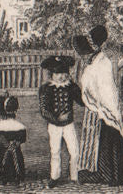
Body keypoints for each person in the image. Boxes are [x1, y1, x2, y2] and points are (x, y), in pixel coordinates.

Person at [76, 25, 123, 185]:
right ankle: (113, 175)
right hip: (104, 109)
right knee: (106, 144)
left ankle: (114, 176)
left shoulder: (102, 62)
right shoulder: (97, 61)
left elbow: (106, 89)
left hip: (106, 108)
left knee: (109, 144)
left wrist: (103, 108)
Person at [39, 55, 82, 187]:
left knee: (75, 151)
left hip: (69, 124)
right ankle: (54, 177)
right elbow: (44, 110)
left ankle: (75, 176)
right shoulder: (46, 88)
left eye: (64, 73)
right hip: (54, 125)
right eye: (58, 73)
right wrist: (57, 119)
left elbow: (81, 101)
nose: (62, 76)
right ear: (52, 74)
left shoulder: (71, 86)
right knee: (55, 151)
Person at [0, 93, 26, 185]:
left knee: (1, 159)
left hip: (2, 152)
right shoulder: (20, 127)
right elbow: (22, 141)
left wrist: (5, 143)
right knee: (17, 158)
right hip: (16, 154)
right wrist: (13, 144)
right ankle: (17, 175)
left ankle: (2, 176)